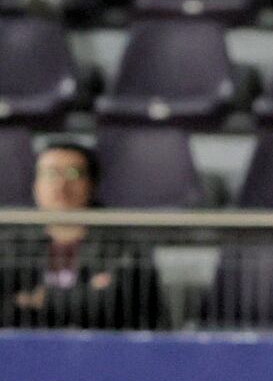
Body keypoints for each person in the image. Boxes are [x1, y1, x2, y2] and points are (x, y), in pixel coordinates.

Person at [0, 139, 160, 330]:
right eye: (51, 174)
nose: (61, 185)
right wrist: (87, 294)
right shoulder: (11, 244)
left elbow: (117, 305)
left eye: (73, 174)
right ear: (35, 185)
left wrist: (40, 300)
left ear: (92, 185)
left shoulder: (123, 244)